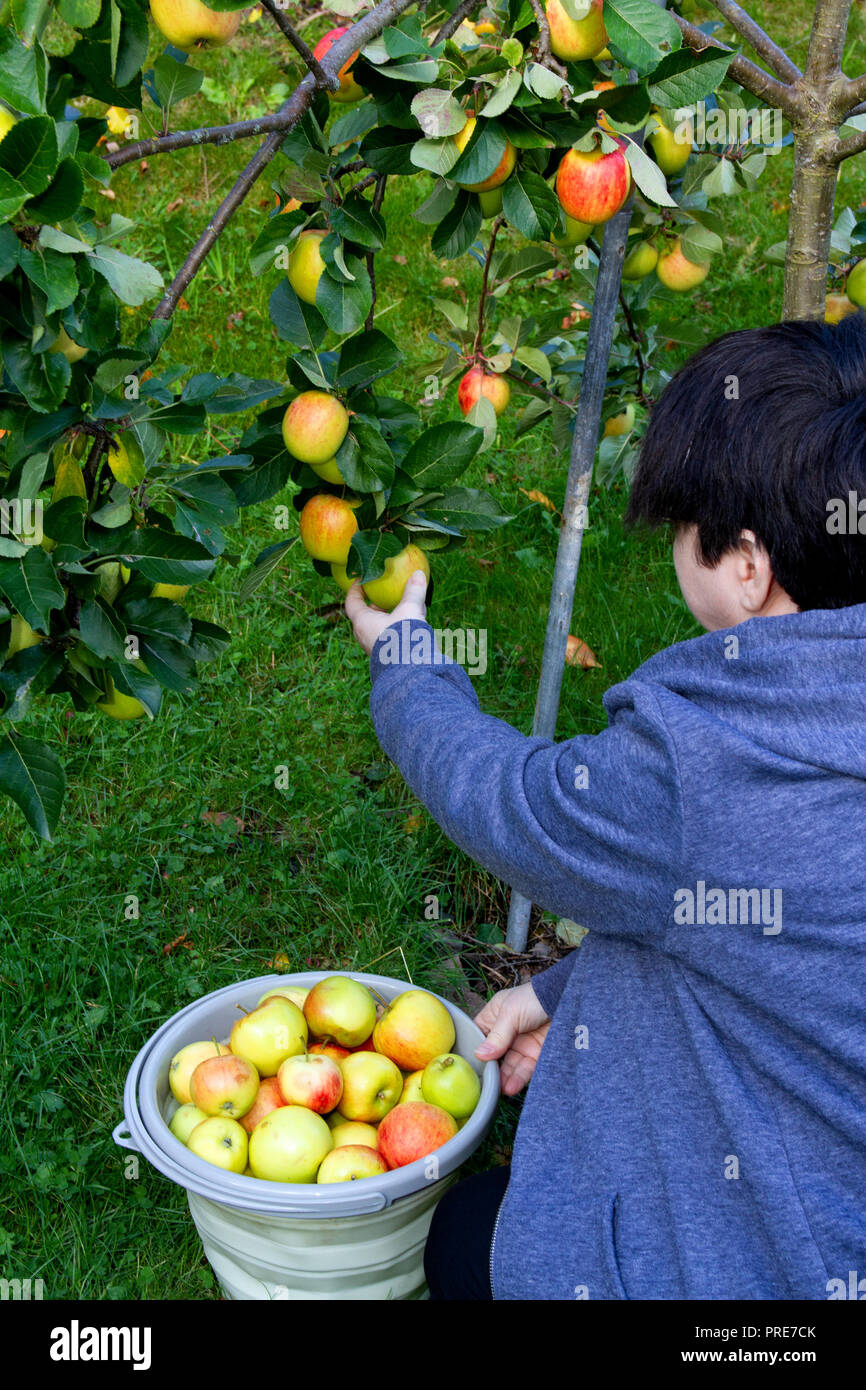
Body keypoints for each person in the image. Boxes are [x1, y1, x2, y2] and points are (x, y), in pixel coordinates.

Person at [345, 317, 866, 1301]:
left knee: (468, 1237)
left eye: (682, 528)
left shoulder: (701, 765)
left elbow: (509, 802)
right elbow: (776, 928)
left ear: (747, 566)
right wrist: (566, 993)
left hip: (757, 1278)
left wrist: (406, 660)